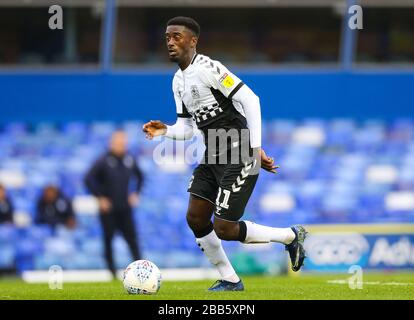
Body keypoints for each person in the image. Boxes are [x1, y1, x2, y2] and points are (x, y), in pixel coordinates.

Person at [142, 16, 307, 291]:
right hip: (213, 154)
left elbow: (251, 100)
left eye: (177, 36)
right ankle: (230, 279)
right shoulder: (177, 82)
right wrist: (165, 131)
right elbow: (186, 128)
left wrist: (254, 148)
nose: (170, 41)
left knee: (224, 228)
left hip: (240, 151)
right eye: (167, 37)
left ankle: (290, 236)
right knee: (195, 217)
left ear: (192, 41)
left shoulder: (209, 68)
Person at [84, 130, 144, 278]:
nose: (121, 145)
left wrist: (135, 193)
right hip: (108, 210)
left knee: (132, 239)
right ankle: (112, 272)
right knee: (108, 240)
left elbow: (141, 176)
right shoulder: (103, 160)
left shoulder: (129, 159)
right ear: (111, 143)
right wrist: (100, 198)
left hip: (125, 208)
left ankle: (140, 270)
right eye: (118, 142)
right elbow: (88, 179)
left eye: (123, 142)